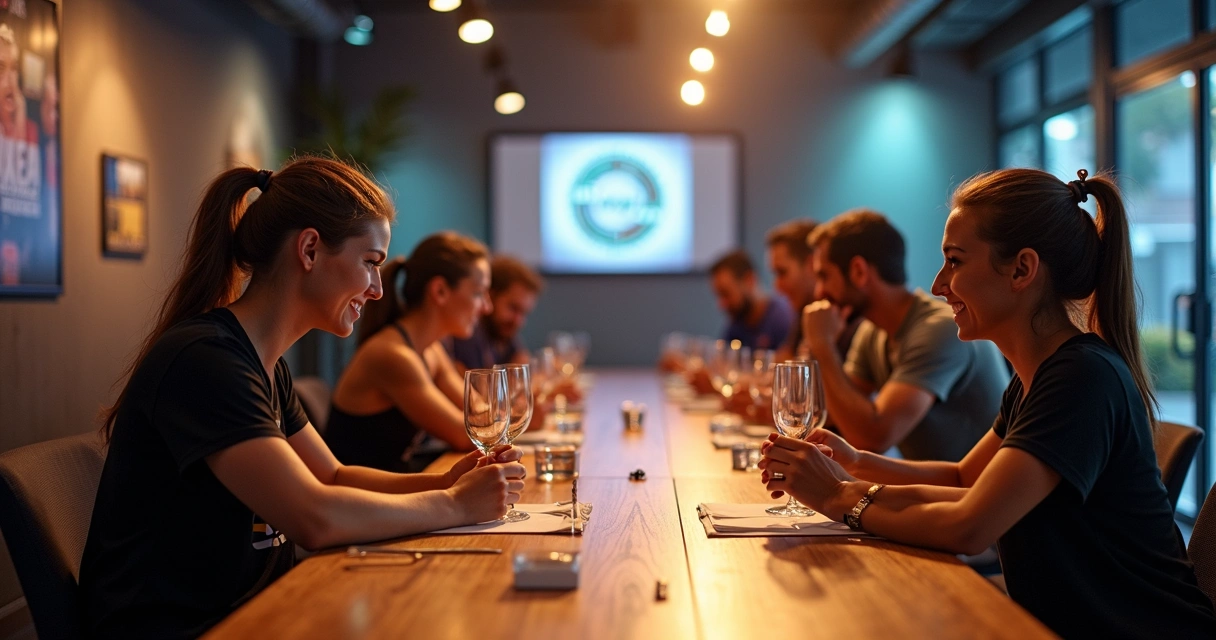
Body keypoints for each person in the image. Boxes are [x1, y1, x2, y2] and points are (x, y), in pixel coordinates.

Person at [79, 158, 526, 639]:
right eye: (370, 263)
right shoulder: (205, 361)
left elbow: (331, 476)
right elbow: (313, 516)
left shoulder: (264, 365)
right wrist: (456, 506)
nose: (378, 290)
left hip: (257, 610)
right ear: (310, 249)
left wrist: (443, 485)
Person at [760, 169, 1216, 637]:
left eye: (954, 261)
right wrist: (855, 463)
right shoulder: (1037, 376)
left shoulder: (1081, 377)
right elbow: (963, 479)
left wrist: (839, 494)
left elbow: (969, 526)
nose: (939, 285)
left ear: (1022, 269)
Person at [801, 209, 1007, 462]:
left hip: (979, 494)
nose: (818, 291)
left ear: (858, 271)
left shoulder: (941, 328)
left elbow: (873, 437)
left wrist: (822, 345)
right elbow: (836, 414)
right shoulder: (872, 331)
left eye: (824, 275)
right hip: (930, 490)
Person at [325, 232, 495, 472]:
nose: (487, 307)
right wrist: (517, 416)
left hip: (395, 490)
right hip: (364, 502)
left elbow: (481, 414)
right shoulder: (393, 355)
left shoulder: (430, 349)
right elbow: (465, 435)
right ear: (440, 291)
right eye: (479, 293)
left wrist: (510, 416)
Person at [764, 219, 859, 361]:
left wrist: (822, 345)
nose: (777, 286)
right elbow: (783, 361)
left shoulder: (851, 320)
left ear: (811, 264)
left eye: (782, 272)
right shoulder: (806, 310)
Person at [446, 255, 543, 373]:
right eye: (513, 308)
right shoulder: (466, 332)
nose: (518, 321)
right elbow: (479, 386)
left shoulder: (502, 333)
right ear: (491, 295)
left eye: (524, 313)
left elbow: (521, 361)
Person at [709, 249, 792, 351]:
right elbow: (722, 359)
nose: (721, 304)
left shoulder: (783, 321)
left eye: (726, 294)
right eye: (718, 296)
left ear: (749, 280)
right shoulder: (737, 322)